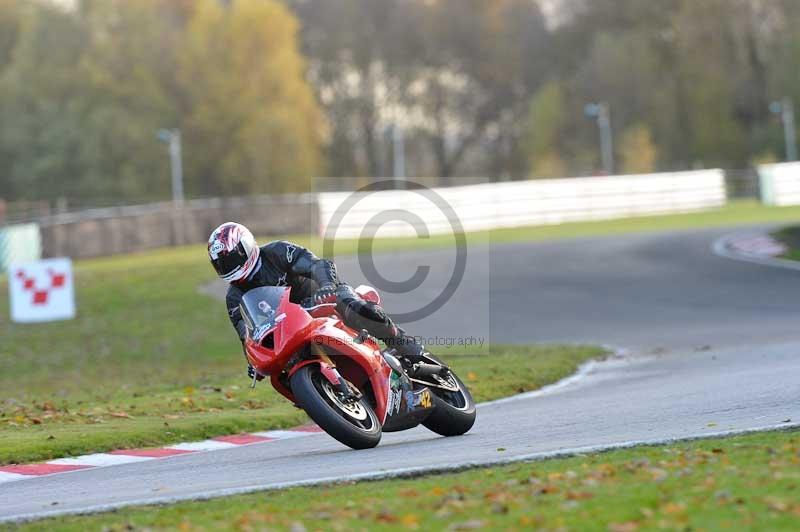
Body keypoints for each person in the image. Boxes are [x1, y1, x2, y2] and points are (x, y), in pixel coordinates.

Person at [207, 222, 427, 378]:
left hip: (321, 301)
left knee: (353, 307)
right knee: (280, 374)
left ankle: (403, 343)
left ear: (244, 247)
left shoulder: (276, 252)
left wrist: (327, 286)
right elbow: (246, 336)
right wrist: (253, 361)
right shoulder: (233, 297)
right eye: (221, 264)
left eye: (230, 259)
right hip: (288, 330)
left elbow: (317, 264)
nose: (228, 268)